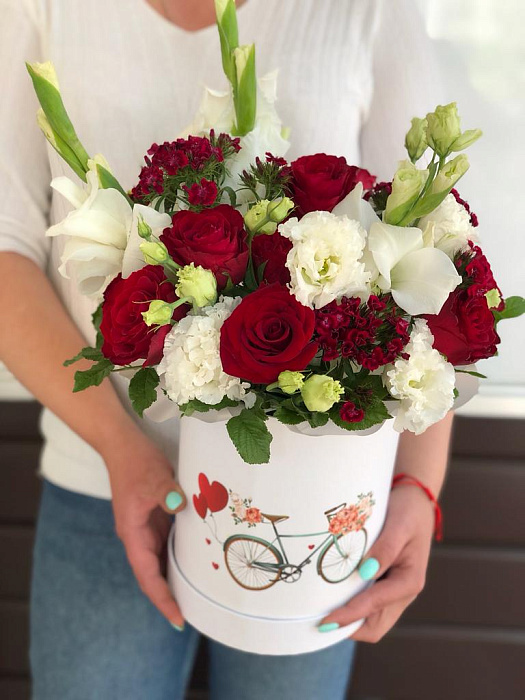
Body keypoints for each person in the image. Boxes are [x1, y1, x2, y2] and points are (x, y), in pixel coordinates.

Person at [0, 0, 452, 698]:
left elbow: (437, 250)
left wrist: (418, 489)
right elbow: (6, 253)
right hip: (101, 485)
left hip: (314, 507)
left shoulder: (368, 8)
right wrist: (124, 453)